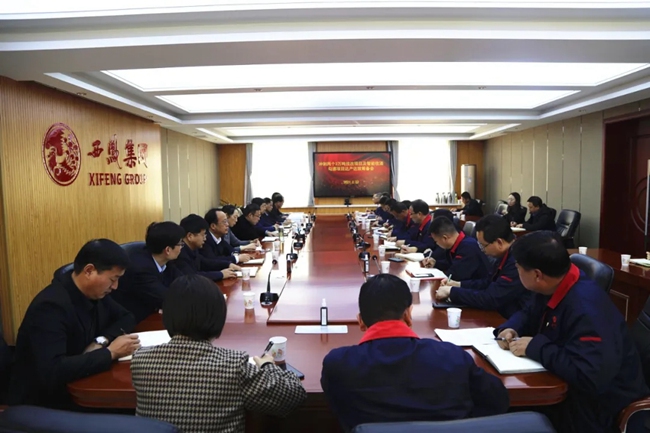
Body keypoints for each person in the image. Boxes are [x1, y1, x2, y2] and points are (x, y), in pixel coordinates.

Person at [495, 231, 649, 433]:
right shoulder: (557, 282)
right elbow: (529, 311)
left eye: (518, 267)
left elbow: (589, 376)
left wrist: (536, 347)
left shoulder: (586, 310)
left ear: (537, 275)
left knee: (502, 410)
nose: (516, 271)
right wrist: (510, 327)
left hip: (598, 407)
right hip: (568, 386)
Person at [321, 274, 509, 431]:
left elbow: (339, 410)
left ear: (361, 322)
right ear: (408, 315)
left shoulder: (338, 365)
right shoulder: (452, 356)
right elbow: (497, 401)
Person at [131, 275, 306, 433]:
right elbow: (292, 396)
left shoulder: (140, 360)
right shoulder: (232, 365)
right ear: (217, 317)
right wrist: (268, 365)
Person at [9, 239, 141, 409]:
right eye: (113, 279)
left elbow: (127, 317)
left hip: (80, 384)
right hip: (44, 401)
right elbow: (52, 371)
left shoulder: (95, 293)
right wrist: (110, 353)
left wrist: (101, 340)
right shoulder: (50, 307)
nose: (115, 286)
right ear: (89, 271)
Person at [435, 215, 531, 319]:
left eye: (483, 245)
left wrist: (452, 292)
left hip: (510, 317)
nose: (481, 249)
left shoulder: (517, 261)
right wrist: (458, 284)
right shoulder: (504, 254)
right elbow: (487, 282)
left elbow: (491, 298)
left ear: (499, 242)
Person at [112, 222, 185, 323]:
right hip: (133, 322)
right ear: (168, 250)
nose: (181, 248)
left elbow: (184, 282)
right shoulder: (140, 269)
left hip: (152, 313)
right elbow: (167, 299)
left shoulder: (165, 261)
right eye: (180, 244)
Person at [177, 214, 238, 281]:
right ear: (190, 236)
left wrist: (228, 264)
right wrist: (220, 274)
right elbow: (192, 277)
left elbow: (206, 262)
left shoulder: (193, 249)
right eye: (203, 235)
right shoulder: (180, 253)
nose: (205, 238)